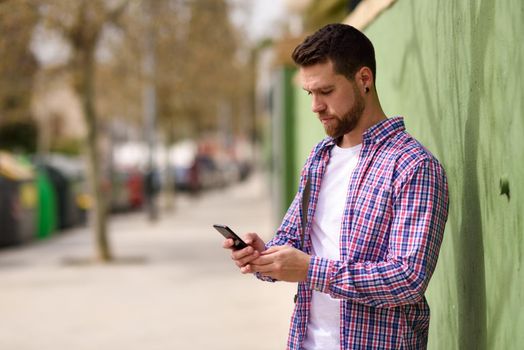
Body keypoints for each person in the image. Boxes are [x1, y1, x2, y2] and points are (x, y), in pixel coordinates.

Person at [222, 23, 449, 350]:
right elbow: (293, 239)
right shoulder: (320, 158)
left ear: (364, 79)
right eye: (310, 93)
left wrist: (311, 270)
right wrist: (263, 256)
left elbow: (407, 279)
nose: (315, 105)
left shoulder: (413, 166)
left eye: (326, 92)